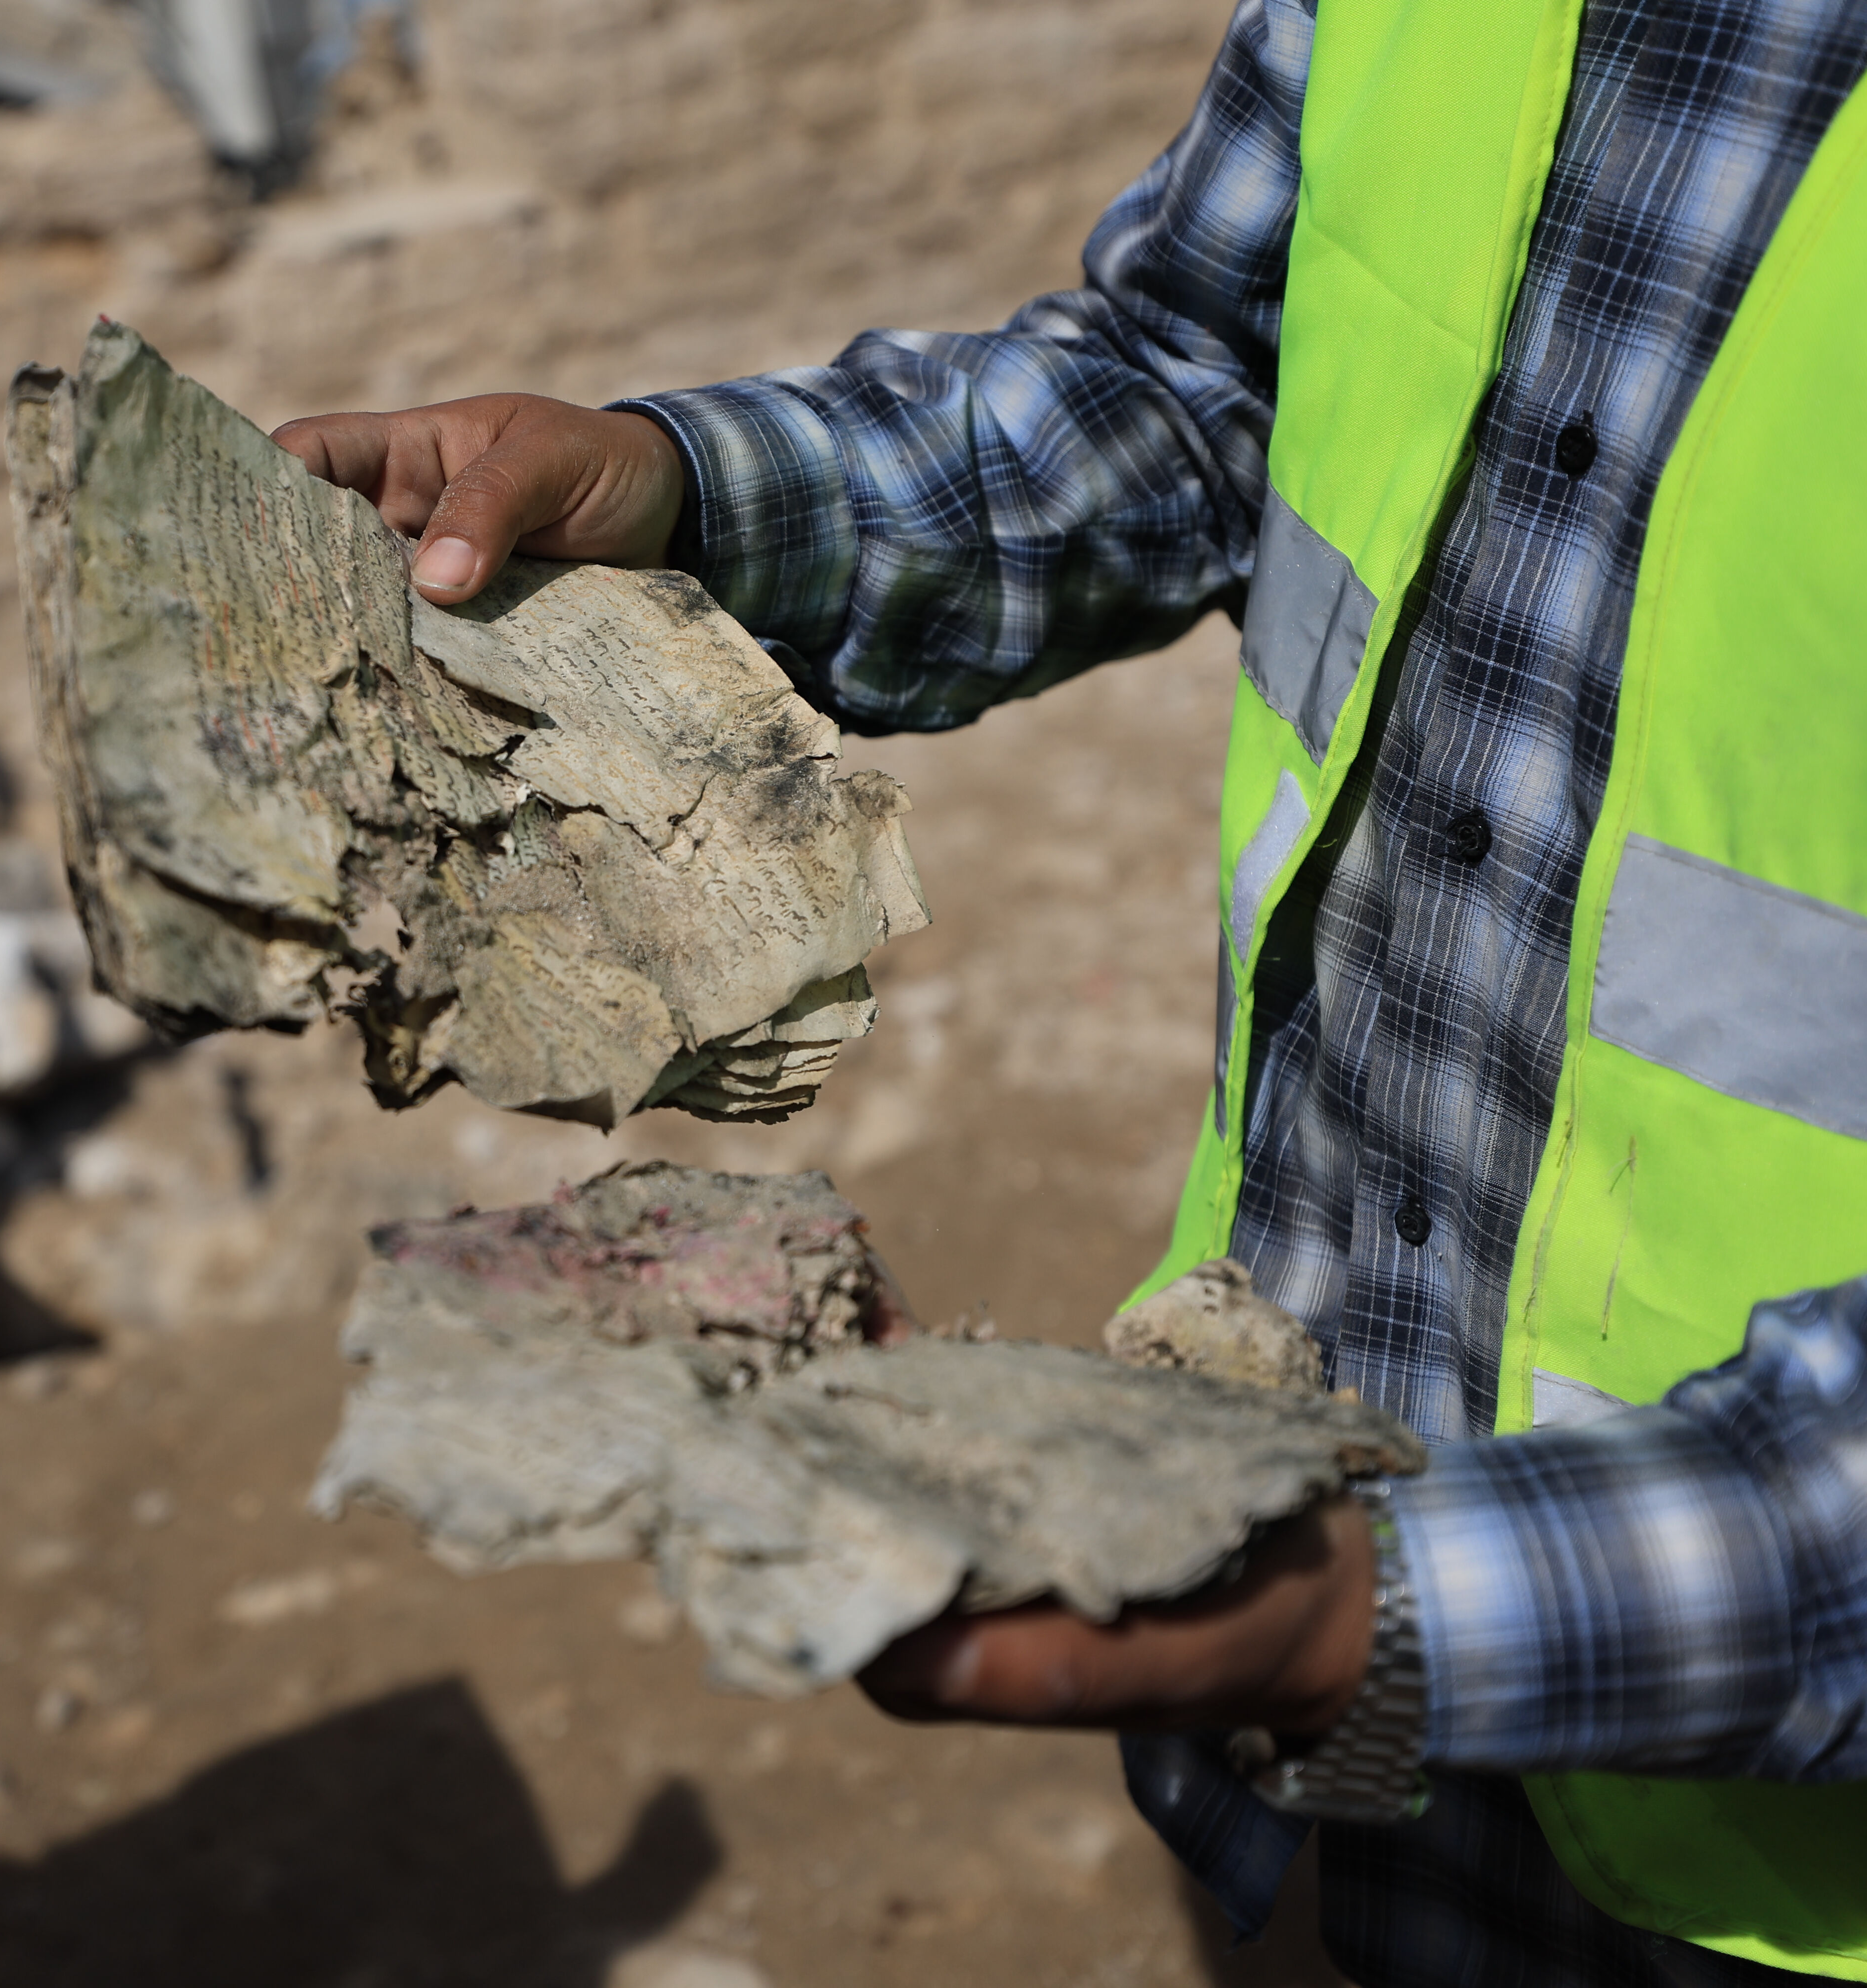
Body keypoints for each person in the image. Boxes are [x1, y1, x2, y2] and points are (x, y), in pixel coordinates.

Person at [275, 0, 1867, 1982]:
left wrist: (1363, 1603)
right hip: (1344, 1672)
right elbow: (1200, 377)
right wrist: (697, 496)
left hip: (1769, 1841)